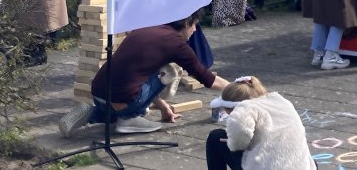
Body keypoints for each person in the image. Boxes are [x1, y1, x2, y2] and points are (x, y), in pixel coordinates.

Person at [59, 11, 231, 137]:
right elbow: (206, 78)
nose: (194, 31)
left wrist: (163, 107)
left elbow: (137, 74)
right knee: (170, 71)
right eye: (195, 25)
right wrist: (236, 89)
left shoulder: (147, 29)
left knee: (145, 75)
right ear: (187, 23)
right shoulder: (176, 44)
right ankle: (129, 118)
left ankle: (92, 113)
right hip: (124, 100)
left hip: (98, 93)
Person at [205, 75, 313, 170]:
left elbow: (238, 143)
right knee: (308, 160)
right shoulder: (281, 102)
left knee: (216, 137)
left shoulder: (244, 109)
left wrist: (232, 140)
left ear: (233, 108)